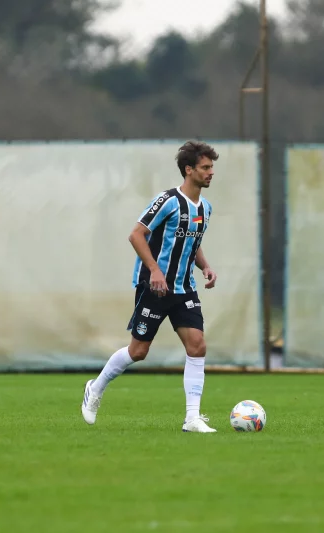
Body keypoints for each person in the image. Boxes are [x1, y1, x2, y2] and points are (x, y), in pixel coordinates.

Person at [81, 140, 220, 433]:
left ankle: (192, 418)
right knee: (139, 351)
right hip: (155, 288)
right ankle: (95, 389)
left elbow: (192, 245)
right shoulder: (168, 201)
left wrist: (205, 266)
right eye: (205, 168)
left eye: (211, 168)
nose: (210, 173)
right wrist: (155, 270)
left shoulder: (205, 208)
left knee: (197, 346)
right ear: (189, 169)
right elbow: (136, 235)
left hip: (184, 289)